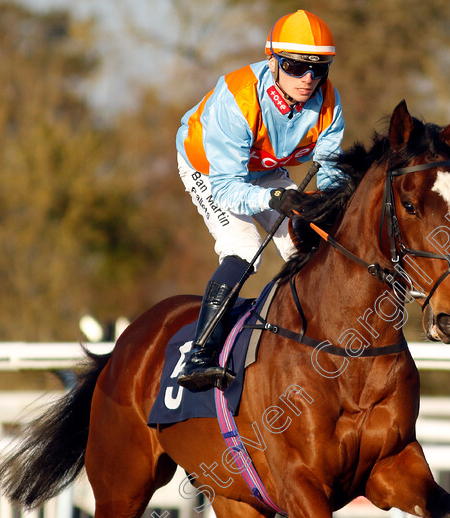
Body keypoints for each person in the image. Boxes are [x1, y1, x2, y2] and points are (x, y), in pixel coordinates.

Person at [174, 10, 345, 392]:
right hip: (211, 169)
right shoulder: (238, 100)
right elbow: (228, 188)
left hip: (263, 166)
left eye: (319, 70)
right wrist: (275, 197)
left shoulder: (329, 101)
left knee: (309, 242)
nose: (308, 79)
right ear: (273, 62)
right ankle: (199, 354)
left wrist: (327, 210)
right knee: (246, 247)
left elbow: (331, 170)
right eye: (296, 66)